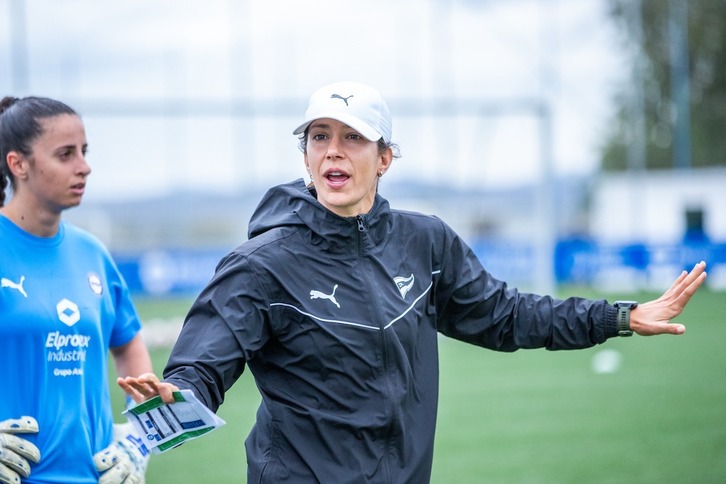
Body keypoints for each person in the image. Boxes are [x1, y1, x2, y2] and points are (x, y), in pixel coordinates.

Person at [118, 81, 707, 483]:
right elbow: (202, 363)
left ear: (385, 158)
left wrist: (619, 317)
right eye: (319, 136)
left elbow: (506, 315)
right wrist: (181, 393)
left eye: (352, 137)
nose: (333, 150)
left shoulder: (424, 241)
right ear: (305, 157)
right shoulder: (261, 263)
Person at [0, 96, 153, 483]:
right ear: (18, 164)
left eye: (84, 152)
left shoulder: (93, 254)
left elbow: (129, 345)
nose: (84, 167)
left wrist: (139, 438)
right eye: (65, 154)